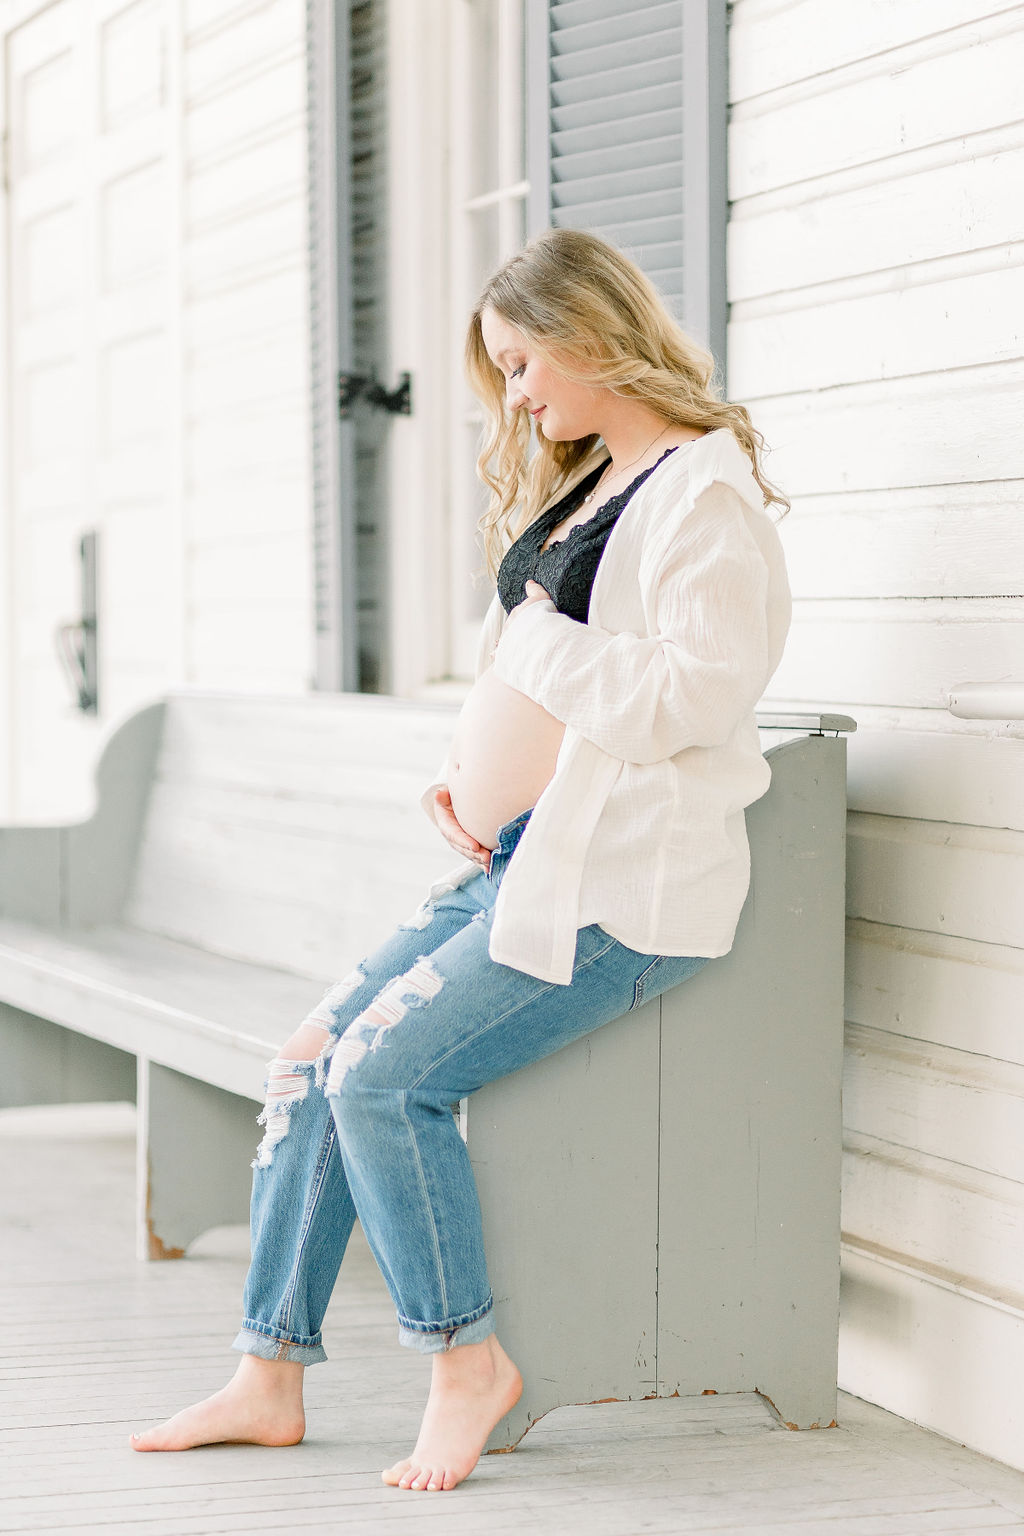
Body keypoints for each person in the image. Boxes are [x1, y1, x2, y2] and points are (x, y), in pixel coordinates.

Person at [130, 228, 792, 1493]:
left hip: (618, 895)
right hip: (521, 862)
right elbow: (534, 672)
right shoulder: (593, 480)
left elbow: (690, 698)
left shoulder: (705, 498)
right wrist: (469, 775)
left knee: (382, 1081)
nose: (518, 393)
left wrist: (531, 664)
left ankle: (465, 1363)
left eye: (524, 360)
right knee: (309, 1063)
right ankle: (267, 1373)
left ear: (594, 336)